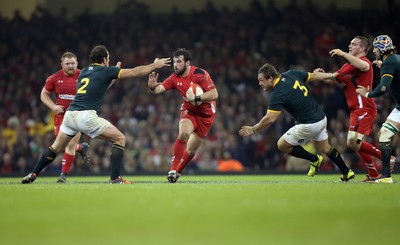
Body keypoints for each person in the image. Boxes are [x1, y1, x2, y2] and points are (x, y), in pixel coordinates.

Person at [22, 45, 171, 184]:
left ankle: (33, 174)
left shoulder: (85, 71)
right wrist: (154, 65)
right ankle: (115, 178)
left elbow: (100, 87)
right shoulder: (106, 70)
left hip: (70, 114)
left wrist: (112, 75)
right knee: (120, 139)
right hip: (85, 116)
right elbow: (134, 72)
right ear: (105, 59)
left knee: (55, 148)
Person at [239, 63, 355, 182]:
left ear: (271, 78)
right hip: (321, 118)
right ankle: (346, 172)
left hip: (308, 124)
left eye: (261, 80)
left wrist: (253, 129)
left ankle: (314, 159)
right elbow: (314, 76)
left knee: (282, 145)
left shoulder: (277, 93)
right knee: (325, 148)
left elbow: (270, 118)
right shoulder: (291, 73)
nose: (260, 84)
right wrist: (331, 75)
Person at [314, 36, 396, 182]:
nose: (350, 46)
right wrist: (319, 73)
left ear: (362, 49)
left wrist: (342, 53)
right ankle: (373, 174)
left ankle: (387, 158)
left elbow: (365, 67)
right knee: (353, 143)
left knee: (354, 141)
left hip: (365, 107)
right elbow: (333, 78)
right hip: (355, 109)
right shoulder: (347, 66)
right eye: (350, 44)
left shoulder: (364, 62)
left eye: (353, 44)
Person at [148, 48, 218, 183]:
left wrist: (197, 98)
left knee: (191, 150)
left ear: (187, 63)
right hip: (189, 111)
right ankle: (172, 170)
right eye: (174, 62)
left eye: (179, 62)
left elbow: (214, 94)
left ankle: (177, 173)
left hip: (206, 116)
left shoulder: (200, 73)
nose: (175, 65)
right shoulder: (174, 78)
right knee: (183, 134)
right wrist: (152, 87)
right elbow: (159, 89)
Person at [356, 34, 400, 184]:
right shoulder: (393, 60)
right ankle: (386, 177)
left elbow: (382, 88)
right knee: (384, 134)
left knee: (385, 135)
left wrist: (367, 93)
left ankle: (386, 176)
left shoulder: (389, 63)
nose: (374, 50)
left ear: (382, 49)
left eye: (376, 47)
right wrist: (385, 66)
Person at [41, 52, 89, 183]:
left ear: (77, 63)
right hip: (61, 117)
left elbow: (98, 86)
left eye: (73, 63)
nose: (70, 66)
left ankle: (63, 176)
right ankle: (81, 148)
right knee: (61, 145)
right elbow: (44, 94)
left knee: (70, 145)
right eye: (67, 63)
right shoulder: (54, 78)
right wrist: (53, 107)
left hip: (76, 116)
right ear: (62, 65)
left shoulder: (83, 75)